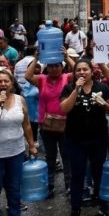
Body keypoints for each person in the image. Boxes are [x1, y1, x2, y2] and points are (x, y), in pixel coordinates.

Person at [60, 60, 109, 216]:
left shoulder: (102, 87)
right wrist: (76, 90)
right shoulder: (69, 88)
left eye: (85, 69)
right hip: (75, 140)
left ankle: (104, 206)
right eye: (78, 70)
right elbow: (64, 108)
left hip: (98, 139)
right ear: (74, 73)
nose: (82, 72)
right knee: (77, 175)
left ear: (92, 71)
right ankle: (75, 209)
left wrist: (104, 105)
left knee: (99, 174)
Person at [0, 71, 38, 216]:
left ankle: (15, 215)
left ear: (12, 84)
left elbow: (26, 124)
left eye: (6, 81)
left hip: (16, 152)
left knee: (14, 189)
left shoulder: (20, 99)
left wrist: (32, 145)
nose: (3, 84)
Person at [25, 51, 76, 198]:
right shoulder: (42, 79)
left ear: (62, 67)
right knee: (50, 157)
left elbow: (79, 71)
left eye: (57, 66)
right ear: (47, 67)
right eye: (51, 66)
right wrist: (36, 58)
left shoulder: (67, 78)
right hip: (46, 125)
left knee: (67, 156)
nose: (54, 69)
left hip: (66, 124)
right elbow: (28, 76)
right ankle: (50, 186)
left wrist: (67, 57)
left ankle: (69, 186)